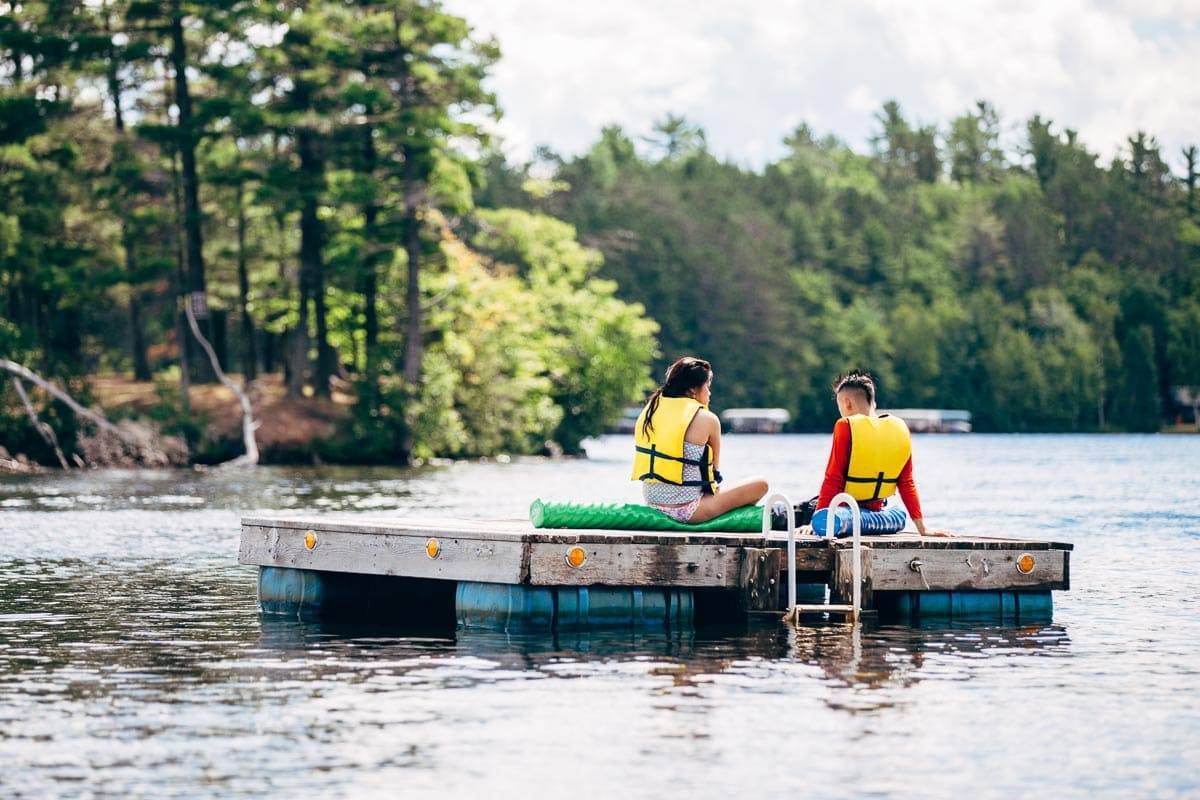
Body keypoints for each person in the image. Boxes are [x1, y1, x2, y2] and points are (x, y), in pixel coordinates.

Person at [631, 357, 768, 524]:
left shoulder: (650, 411)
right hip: (689, 511)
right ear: (692, 390)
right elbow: (714, 476)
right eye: (707, 386)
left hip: (652, 504)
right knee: (761, 484)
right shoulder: (707, 419)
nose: (709, 393)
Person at [814, 370, 942, 536]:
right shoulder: (900, 429)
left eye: (839, 406)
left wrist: (816, 522)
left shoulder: (845, 426)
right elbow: (906, 482)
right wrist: (923, 529)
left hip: (844, 513)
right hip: (877, 515)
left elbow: (833, 479)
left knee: (795, 512)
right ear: (873, 403)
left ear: (847, 403)